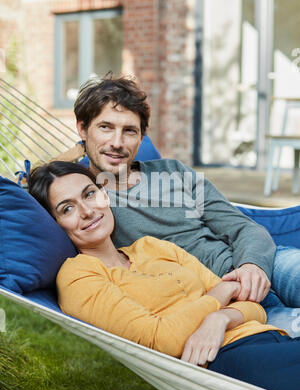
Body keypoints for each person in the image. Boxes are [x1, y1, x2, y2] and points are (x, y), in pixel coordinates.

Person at [28, 160, 300, 390]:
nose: (87, 211)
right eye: (67, 209)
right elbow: (162, 340)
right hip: (228, 360)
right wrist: (222, 293)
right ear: (55, 224)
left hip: (270, 336)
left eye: (89, 194)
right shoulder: (78, 276)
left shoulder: (153, 246)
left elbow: (255, 308)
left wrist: (221, 319)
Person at [73, 75, 300, 337]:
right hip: (223, 301)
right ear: (82, 128)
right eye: (105, 127)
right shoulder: (85, 200)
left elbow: (245, 228)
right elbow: (44, 190)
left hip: (266, 265)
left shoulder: (173, 171)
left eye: (129, 131)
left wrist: (252, 266)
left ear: (142, 137)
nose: (117, 142)